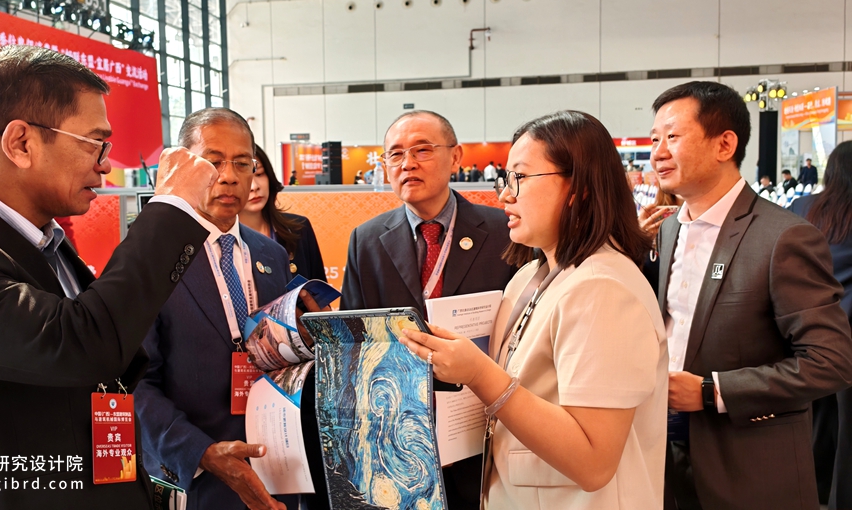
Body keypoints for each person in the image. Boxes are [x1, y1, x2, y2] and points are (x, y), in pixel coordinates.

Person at [0, 45, 217, 509]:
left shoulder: (40, 240)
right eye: (94, 142)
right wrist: (171, 210)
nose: (104, 163)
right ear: (21, 143)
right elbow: (80, 344)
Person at [400, 110, 668, 509]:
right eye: (505, 179)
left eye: (520, 178)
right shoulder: (531, 275)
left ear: (578, 188)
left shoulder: (603, 288)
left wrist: (478, 373)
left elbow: (593, 461)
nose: (505, 196)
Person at [649, 81, 852, 510]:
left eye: (672, 136)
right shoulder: (669, 230)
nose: (658, 153)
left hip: (750, 466)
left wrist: (713, 391)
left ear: (725, 144)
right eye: (654, 140)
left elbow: (830, 362)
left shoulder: (783, 236)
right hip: (667, 455)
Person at [341, 110, 514, 510]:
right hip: (398, 441)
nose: (408, 164)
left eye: (422, 150)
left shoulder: (502, 232)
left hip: (483, 429)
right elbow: (355, 345)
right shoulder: (366, 240)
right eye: (395, 154)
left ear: (456, 157)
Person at [136, 110, 305, 510]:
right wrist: (202, 454)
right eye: (213, 162)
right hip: (196, 476)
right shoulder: (150, 257)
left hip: (277, 465)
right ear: (183, 166)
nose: (229, 176)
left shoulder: (271, 255)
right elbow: (136, 382)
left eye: (242, 163)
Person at [791, 141, 852, 509]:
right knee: (847, 434)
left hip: (805, 331)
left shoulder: (802, 208)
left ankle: (808, 494)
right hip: (848, 333)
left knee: (814, 421)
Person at [239, 144, 326, 282]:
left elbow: (320, 289)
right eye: (245, 179)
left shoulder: (299, 227)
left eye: (259, 174)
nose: (254, 186)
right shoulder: (223, 241)